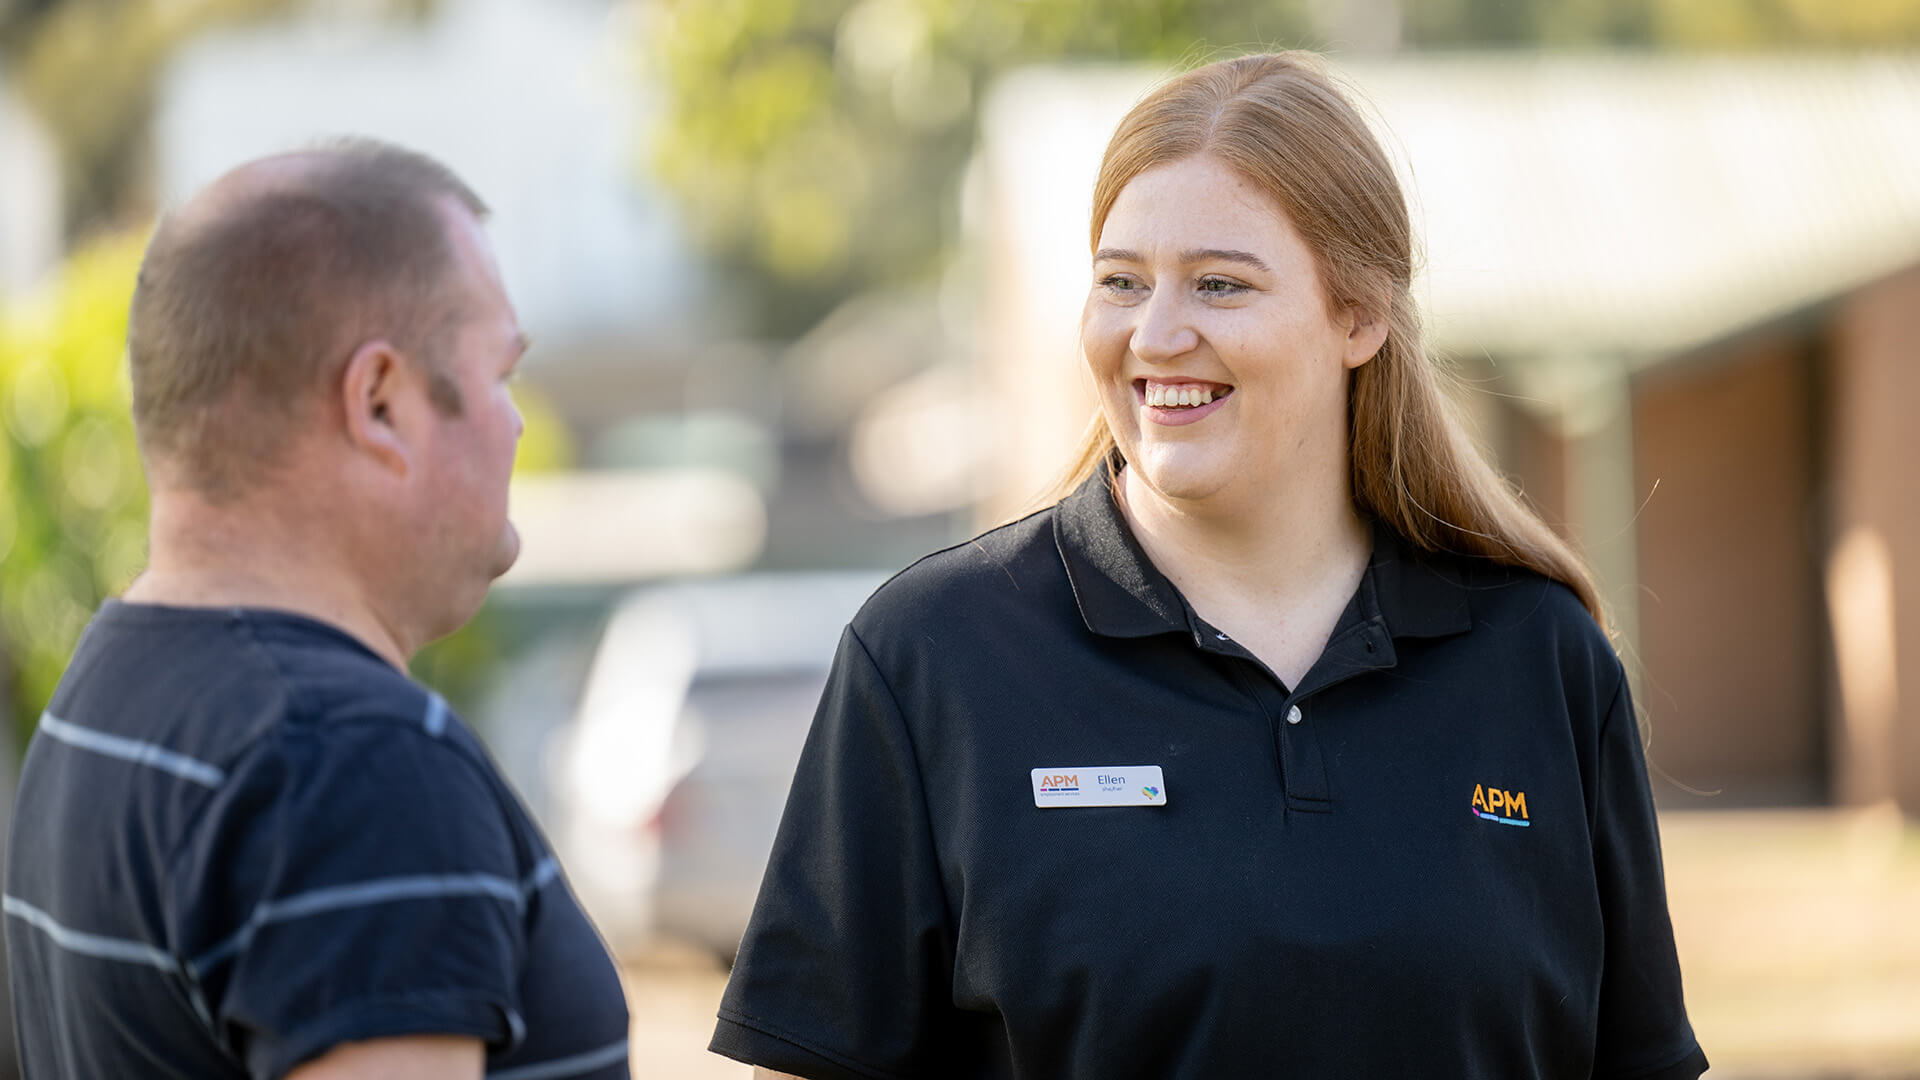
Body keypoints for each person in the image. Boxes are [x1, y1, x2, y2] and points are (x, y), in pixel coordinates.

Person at [710, 52, 1707, 1079]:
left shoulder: (1542, 660)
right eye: (1121, 283)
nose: (1156, 333)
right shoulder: (933, 656)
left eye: (1220, 284)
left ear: (1359, 315)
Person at [4, 141, 631, 1079]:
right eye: (500, 373)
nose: (517, 422)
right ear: (378, 401)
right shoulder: (351, 762)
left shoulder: (108, 689)